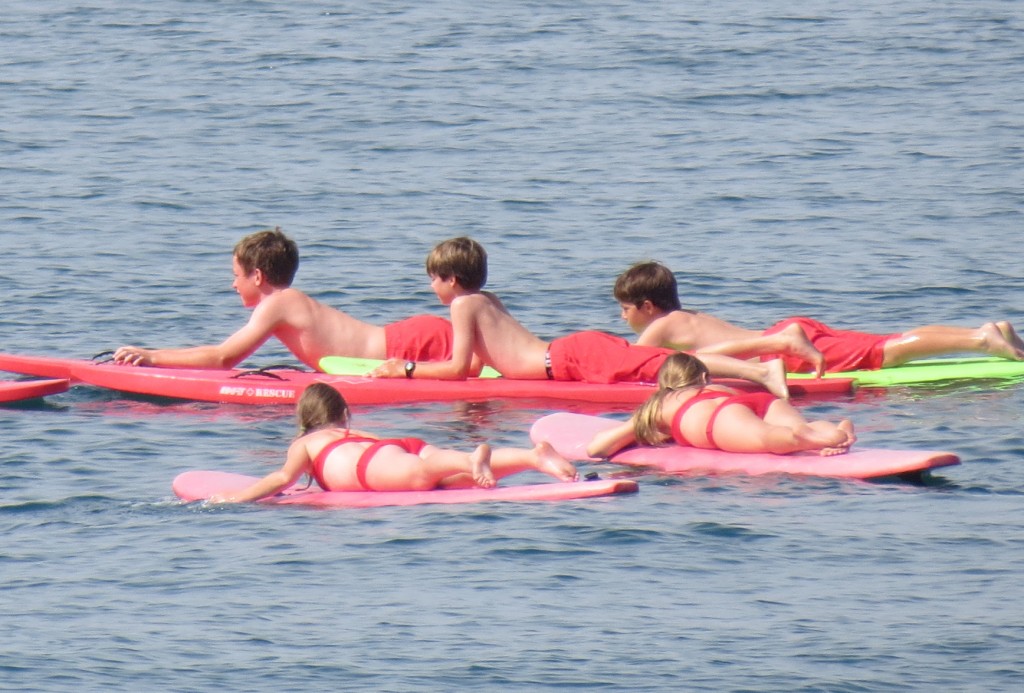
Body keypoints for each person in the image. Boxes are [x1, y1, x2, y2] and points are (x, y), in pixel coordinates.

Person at [370, 237, 791, 399]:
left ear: (453, 279)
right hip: (568, 354)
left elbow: (460, 368)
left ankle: (763, 372)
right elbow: (480, 364)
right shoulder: (482, 300)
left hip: (570, 360)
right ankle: (755, 364)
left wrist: (404, 370)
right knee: (658, 363)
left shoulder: (463, 304)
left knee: (665, 364)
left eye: (433, 279)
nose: (431, 288)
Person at [113, 228, 459, 372]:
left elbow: (223, 357)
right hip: (410, 339)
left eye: (236, 275)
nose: (233, 285)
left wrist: (153, 357)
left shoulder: (278, 303)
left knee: (508, 371)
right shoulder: (284, 303)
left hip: (412, 346)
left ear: (258, 277)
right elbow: (223, 350)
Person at [613, 261, 1024, 375]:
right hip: (790, 333)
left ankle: (980, 342)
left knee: (886, 353)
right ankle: (983, 332)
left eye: (625, 308)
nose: (622, 315)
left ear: (648, 306)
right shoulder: (688, 315)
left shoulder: (660, 326)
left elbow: (632, 365)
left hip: (786, 350)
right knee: (884, 341)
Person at [208, 382, 579, 502]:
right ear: (345, 415)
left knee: (422, 474)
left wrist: (235, 499)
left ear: (305, 420)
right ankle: (534, 457)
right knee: (439, 474)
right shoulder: (352, 432)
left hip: (368, 468)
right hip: (394, 445)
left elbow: (281, 480)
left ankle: (472, 459)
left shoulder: (307, 441)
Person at [586, 353, 856, 460]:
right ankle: (831, 431)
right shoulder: (717, 387)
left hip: (717, 418)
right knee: (801, 425)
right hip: (757, 400)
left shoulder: (662, 402)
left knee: (766, 438)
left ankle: (799, 439)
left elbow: (598, 448)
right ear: (705, 378)